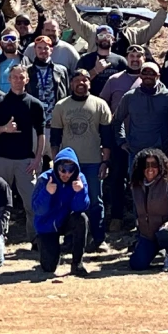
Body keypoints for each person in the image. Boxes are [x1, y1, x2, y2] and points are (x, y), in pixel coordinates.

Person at [50, 70, 112, 251]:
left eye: (84, 80)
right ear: (71, 84)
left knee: (95, 201)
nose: (81, 83)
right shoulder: (61, 106)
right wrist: (56, 163)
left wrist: (105, 162)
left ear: (89, 83)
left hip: (93, 162)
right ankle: (71, 239)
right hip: (69, 165)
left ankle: (99, 239)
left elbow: (107, 137)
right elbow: (55, 138)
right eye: (77, 80)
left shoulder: (100, 105)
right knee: (69, 201)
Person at [0, 64, 46, 246]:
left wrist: (37, 159)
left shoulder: (35, 104)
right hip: (2, 160)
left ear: (27, 80)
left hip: (26, 161)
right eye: (14, 77)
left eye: (22, 77)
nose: (18, 80)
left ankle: (36, 238)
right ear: (9, 79)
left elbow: (41, 134)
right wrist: (5, 129)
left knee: (31, 203)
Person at [100, 45, 148, 231]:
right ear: (127, 58)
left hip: (143, 138)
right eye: (132, 56)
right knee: (117, 178)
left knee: (142, 179)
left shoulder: (149, 79)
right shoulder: (114, 80)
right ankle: (117, 217)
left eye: (139, 56)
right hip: (118, 138)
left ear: (144, 58)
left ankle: (141, 219)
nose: (135, 59)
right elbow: (102, 104)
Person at [128, 148, 168, 273]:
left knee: (165, 232)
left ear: (161, 166)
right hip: (148, 236)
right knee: (136, 265)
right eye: (146, 165)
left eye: (154, 165)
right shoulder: (135, 186)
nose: (150, 169)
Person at [63, 0, 168, 59]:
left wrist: (163, 9)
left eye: (117, 18)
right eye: (112, 18)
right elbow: (76, 22)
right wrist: (68, 1)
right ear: (107, 20)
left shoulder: (133, 34)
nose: (114, 21)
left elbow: (152, 27)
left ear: (122, 20)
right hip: (98, 70)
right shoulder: (94, 32)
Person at [32, 148, 91, 276]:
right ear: (57, 167)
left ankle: (77, 264)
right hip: (46, 226)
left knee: (82, 219)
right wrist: (47, 193)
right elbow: (37, 210)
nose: (66, 174)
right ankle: (46, 246)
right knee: (49, 268)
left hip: (65, 220)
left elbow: (80, 208)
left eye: (71, 170)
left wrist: (80, 192)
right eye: (63, 170)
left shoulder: (80, 179)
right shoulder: (44, 179)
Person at [113, 61, 168, 165]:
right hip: (136, 152)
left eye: (152, 73)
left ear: (158, 76)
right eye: (145, 73)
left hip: (161, 153)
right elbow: (117, 120)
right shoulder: (130, 97)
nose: (148, 76)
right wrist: (121, 141)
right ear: (140, 75)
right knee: (135, 181)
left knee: (161, 181)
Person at [25, 35, 70, 154]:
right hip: (35, 126)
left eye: (46, 48)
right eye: (39, 48)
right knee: (35, 164)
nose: (43, 51)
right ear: (35, 49)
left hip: (56, 124)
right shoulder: (27, 71)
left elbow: (67, 94)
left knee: (58, 162)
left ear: (51, 50)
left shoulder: (61, 71)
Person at [76, 26, 127, 97]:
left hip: (114, 103)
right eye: (101, 35)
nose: (105, 38)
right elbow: (77, 82)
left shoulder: (121, 61)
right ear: (96, 39)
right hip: (90, 101)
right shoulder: (85, 59)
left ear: (113, 40)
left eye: (108, 36)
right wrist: (95, 70)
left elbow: (127, 82)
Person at [0, 28, 26, 94]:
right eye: (6, 39)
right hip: (1, 102)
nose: (9, 41)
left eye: (13, 38)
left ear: (18, 41)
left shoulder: (26, 61)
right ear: (1, 42)